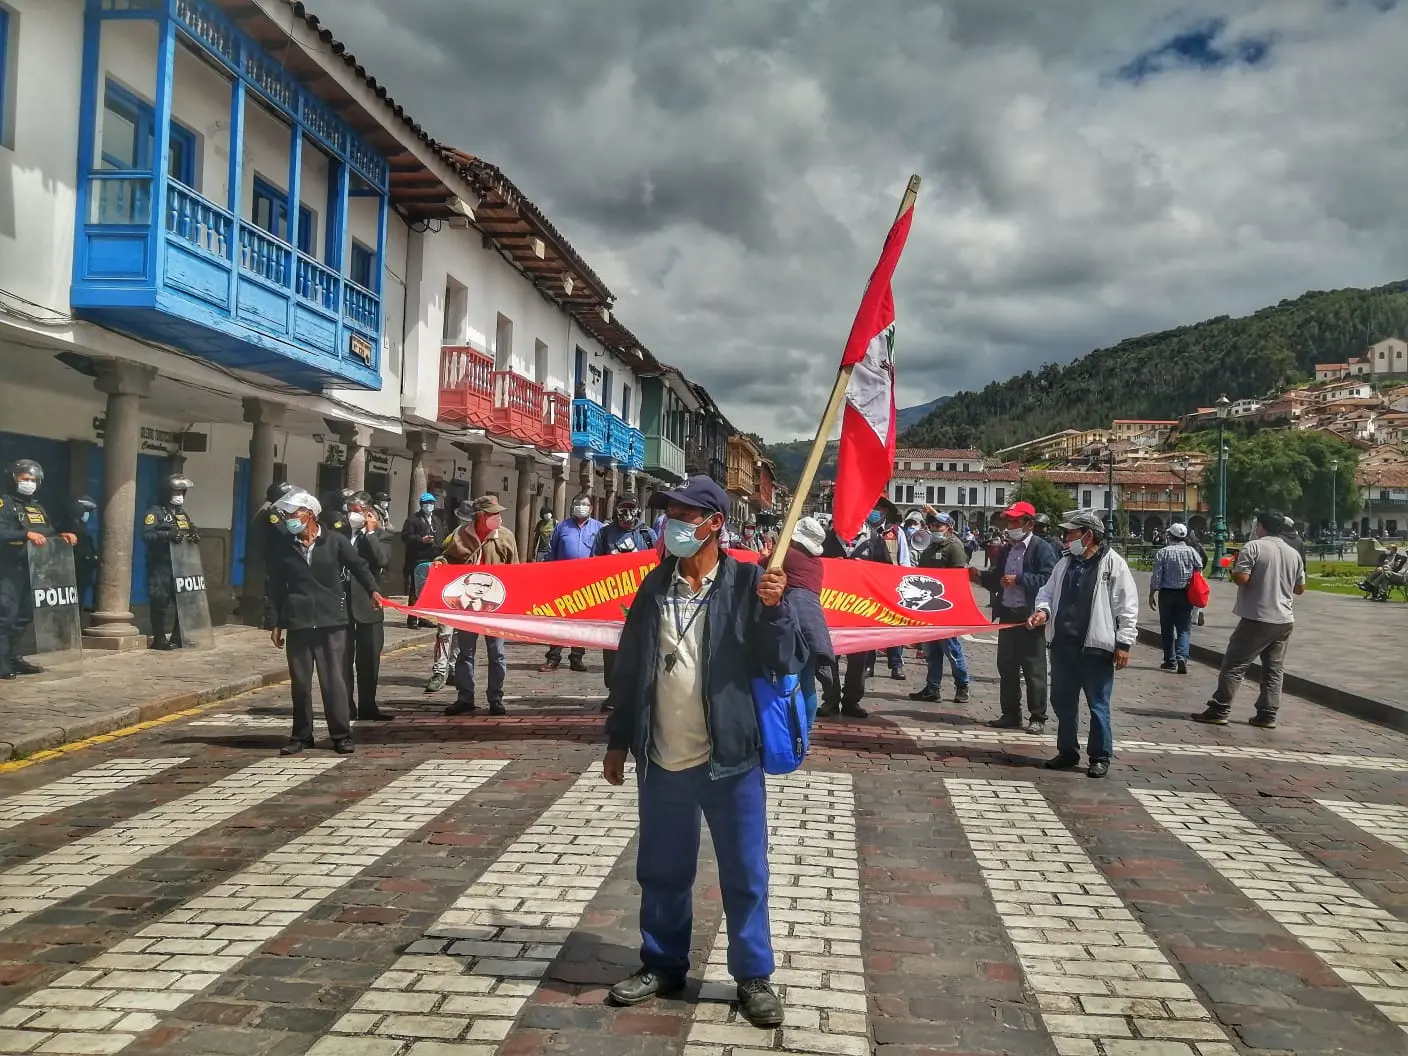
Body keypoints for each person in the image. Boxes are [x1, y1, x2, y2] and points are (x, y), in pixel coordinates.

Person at [602, 476, 804, 1028]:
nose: (674, 524)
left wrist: (776, 610)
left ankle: (753, 976)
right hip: (663, 756)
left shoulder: (748, 584)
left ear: (715, 523)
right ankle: (663, 962)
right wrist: (621, 739)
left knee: (744, 872)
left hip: (730, 759)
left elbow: (784, 661)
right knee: (662, 869)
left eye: (685, 515)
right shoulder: (655, 586)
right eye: (670, 514)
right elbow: (628, 668)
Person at [265, 489, 383, 756]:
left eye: (293, 513)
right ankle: (301, 736)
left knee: (334, 681)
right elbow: (274, 585)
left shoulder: (335, 541)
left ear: (309, 514)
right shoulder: (284, 545)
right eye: (286, 514)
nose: (288, 518)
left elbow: (359, 566)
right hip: (299, 621)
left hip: (332, 621)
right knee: (301, 683)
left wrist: (373, 590)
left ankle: (340, 734)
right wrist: (274, 622)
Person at [1029, 512, 1138, 779]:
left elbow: (1128, 605)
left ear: (1088, 535)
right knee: (1062, 701)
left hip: (1095, 647)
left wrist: (1124, 643)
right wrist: (1043, 611)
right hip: (1063, 646)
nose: (1065, 538)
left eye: (1071, 533)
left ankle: (1100, 755)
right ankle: (1067, 750)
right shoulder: (1065, 563)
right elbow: (1047, 591)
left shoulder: (1114, 564)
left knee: (1098, 704)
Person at [1192, 509, 1306, 730]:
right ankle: (1267, 713)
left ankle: (1219, 708)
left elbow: (1242, 578)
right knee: (1274, 669)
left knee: (1235, 664)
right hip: (1284, 619)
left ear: (1260, 526)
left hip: (1258, 616)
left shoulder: (1254, 546)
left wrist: (1234, 567)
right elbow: (1300, 588)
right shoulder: (1293, 552)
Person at [970, 501, 1058, 733]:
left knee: (1033, 669)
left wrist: (1019, 580)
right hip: (1008, 615)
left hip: (1030, 617)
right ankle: (1011, 713)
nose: (1011, 526)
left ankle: (1037, 716)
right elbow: (997, 577)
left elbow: (1049, 580)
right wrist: (977, 575)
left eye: (1016, 521)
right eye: (1009, 521)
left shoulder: (1041, 548)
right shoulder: (1008, 549)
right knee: (1006, 667)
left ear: (1030, 524)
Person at [436, 496, 519, 716]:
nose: (497, 517)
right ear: (481, 516)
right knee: (466, 652)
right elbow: (448, 558)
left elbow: (516, 570)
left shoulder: (506, 536)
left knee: (497, 654)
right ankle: (465, 697)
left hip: (496, 606)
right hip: (468, 606)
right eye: (493, 514)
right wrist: (440, 563)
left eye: (498, 513)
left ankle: (495, 698)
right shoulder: (461, 534)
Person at [0, 460, 76, 679]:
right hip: (9, 569)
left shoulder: (37, 508)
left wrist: (61, 536)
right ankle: (1, 662)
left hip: (33, 570)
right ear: (13, 480)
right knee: (6, 616)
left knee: (24, 617)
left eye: (33, 480)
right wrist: (24, 535)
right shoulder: (5, 505)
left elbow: (46, 533)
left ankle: (13, 658)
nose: (29, 483)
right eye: (25, 479)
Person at [814, 507, 892, 720]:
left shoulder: (874, 540)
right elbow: (813, 565)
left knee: (859, 659)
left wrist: (865, 568)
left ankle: (851, 700)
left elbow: (888, 572)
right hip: (832, 607)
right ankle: (830, 699)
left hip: (862, 609)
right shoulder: (827, 539)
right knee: (829, 657)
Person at [594, 495, 658, 697]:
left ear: (638, 510)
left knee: (642, 645)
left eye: (631, 507)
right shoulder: (605, 534)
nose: (627, 512)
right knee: (612, 648)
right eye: (623, 508)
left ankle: (640, 691)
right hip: (612, 601)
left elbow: (658, 564)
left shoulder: (648, 534)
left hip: (641, 600)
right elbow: (593, 565)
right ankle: (614, 691)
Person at [909, 513, 972, 704]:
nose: (935, 528)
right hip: (928, 608)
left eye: (940, 526)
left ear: (949, 528)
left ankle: (962, 685)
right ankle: (932, 687)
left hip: (946, 607)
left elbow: (958, 578)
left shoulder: (954, 547)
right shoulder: (929, 547)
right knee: (931, 651)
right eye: (933, 525)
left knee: (952, 650)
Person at [342, 493, 392, 722]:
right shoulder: (339, 534)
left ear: (368, 511)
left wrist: (371, 533)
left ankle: (368, 705)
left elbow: (381, 560)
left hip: (368, 604)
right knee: (342, 660)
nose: (352, 513)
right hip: (341, 605)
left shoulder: (381, 536)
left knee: (369, 660)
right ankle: (344, 706)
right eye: (349, 509)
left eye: (357, 509)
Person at [542, 493, 602, 672]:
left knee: (580, 621)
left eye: (584, 504)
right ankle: (553, 657)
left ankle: (577, 657)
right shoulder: (562, 527)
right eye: (577, 503)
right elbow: (551, 553)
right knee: (558, 620)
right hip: (563, 580)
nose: (580, 506)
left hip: (586, 582)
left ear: (591, 508)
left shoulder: (599, 528)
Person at [784, 516, 833, 729]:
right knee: (807, 683)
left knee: (789, 679)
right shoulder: (817, 564)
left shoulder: (789, 555)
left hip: (792, 619)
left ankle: (788, 730)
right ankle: (806, 733)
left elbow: (762, 566)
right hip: (814, 624)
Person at [142, 474, 199, 651]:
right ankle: (159, 639)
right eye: (176, 491)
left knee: (184, 602)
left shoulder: (181, 513)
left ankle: (177, 637)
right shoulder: (154, 512)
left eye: (182, 491)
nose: (179, 495)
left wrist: (194, 534)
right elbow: (146, 535)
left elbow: (189, 529)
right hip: (161, 566)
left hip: (181, 566)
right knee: (160, 602)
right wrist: (166, 535)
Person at [1149, 522, 1202, 674]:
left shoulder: (1164, 552)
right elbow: (1199, 567)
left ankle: (1170, 660)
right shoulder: (1191, 552)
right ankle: (1182, 657)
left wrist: (1152, 593)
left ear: (1170, 536)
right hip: (1185, 594)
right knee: (1184, 629)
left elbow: (1157, 576)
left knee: (1167, 628)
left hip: (1166, 594)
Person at [871, 499, 910, 680]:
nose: (873, 511)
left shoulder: (896, 533)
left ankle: (896, 664)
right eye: (871, 508)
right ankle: (867, 664)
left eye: (877, 508)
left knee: (894, 626)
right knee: (869, 626)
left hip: (892, 586)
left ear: (885, 511)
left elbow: (904, 561)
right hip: (869, 585)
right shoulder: (863, 531)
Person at [400, 492, 443, 627]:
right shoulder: (413, 520)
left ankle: (423, 617)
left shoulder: (436, 520)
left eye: (431, 503)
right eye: (425, 504)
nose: (428, 506)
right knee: (416, 589)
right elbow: (405, 537)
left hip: (434, 558)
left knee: (427, 591)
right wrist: (421, 539)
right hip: (418, 559)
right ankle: (413, 618)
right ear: (421, 505)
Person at [57, 495, 99, 611]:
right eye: (87, 511)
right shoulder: (67, 526)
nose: (88, 515)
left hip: (84, 569)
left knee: (79, 599)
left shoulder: (82, 526)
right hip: (71, 570)